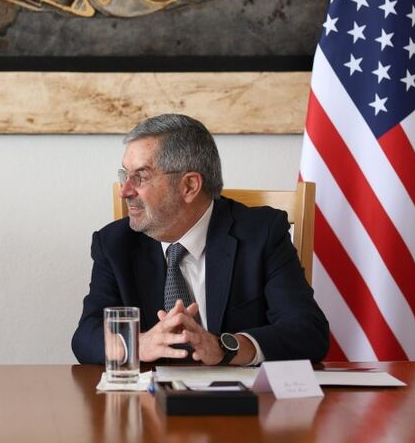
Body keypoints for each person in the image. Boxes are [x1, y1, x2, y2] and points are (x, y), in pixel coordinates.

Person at [72, 114, 328, 366]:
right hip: (146, 403)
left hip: (240, 403)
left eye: (141, 176)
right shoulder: (114, 243)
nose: (125, 191)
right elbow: (85, 337)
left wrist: (225, 347)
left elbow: (308, 331)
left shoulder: (261, 233)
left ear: (190, 186)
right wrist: (138, 343)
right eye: (125, 175)